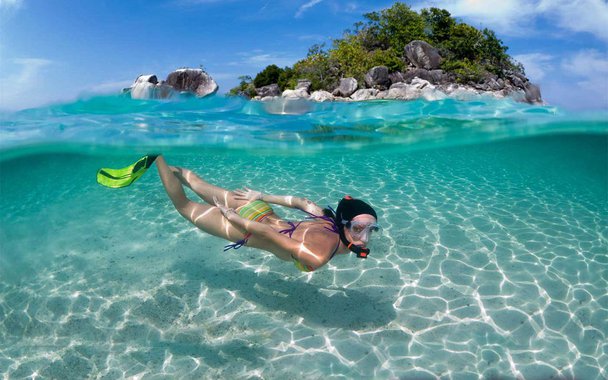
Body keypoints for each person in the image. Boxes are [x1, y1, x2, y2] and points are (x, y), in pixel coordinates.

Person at [154, 155, 380, 272]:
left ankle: (168, 167)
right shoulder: (318, 255)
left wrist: (260, 195)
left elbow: (300, 202)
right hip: (246, 228)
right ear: (344, 223)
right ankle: (155, 157)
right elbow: (270, 235)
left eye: (371, 230)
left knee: (197, 183)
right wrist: (233, 218)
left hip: (260, 209)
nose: (365, 238)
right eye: (358, 229)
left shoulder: (325, 216)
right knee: (184, 206)